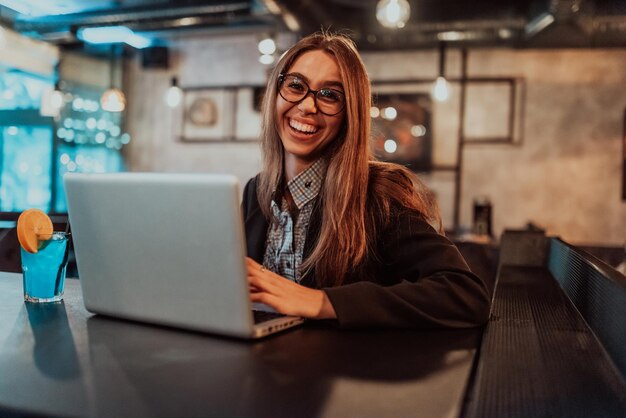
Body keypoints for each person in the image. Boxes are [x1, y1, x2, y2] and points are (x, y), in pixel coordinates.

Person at [243, 31, 491, 329]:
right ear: (275, 93)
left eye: (330, 95)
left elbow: (464, 294)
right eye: (296, 86)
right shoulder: (255, 191)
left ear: (350, 114)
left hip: (341, 372)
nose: (308, 106)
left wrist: (322, 301)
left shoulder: (380, 194)